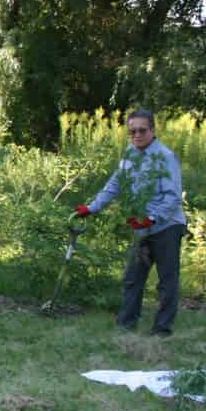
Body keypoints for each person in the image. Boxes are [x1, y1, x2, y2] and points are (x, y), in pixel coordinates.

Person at [74, 108, 186, 336]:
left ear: (152, 130)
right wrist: (92, 208)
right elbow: (116, 183)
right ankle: (126, 325)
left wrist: (151, 218)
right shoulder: (130, 154)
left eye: (142, 130)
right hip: (142, 226)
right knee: (133, 278)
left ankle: (162, 330)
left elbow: (173, 197)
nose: (137, 135)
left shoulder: (164, 157)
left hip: (167, 226)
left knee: (167, 281)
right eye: (132, 131)